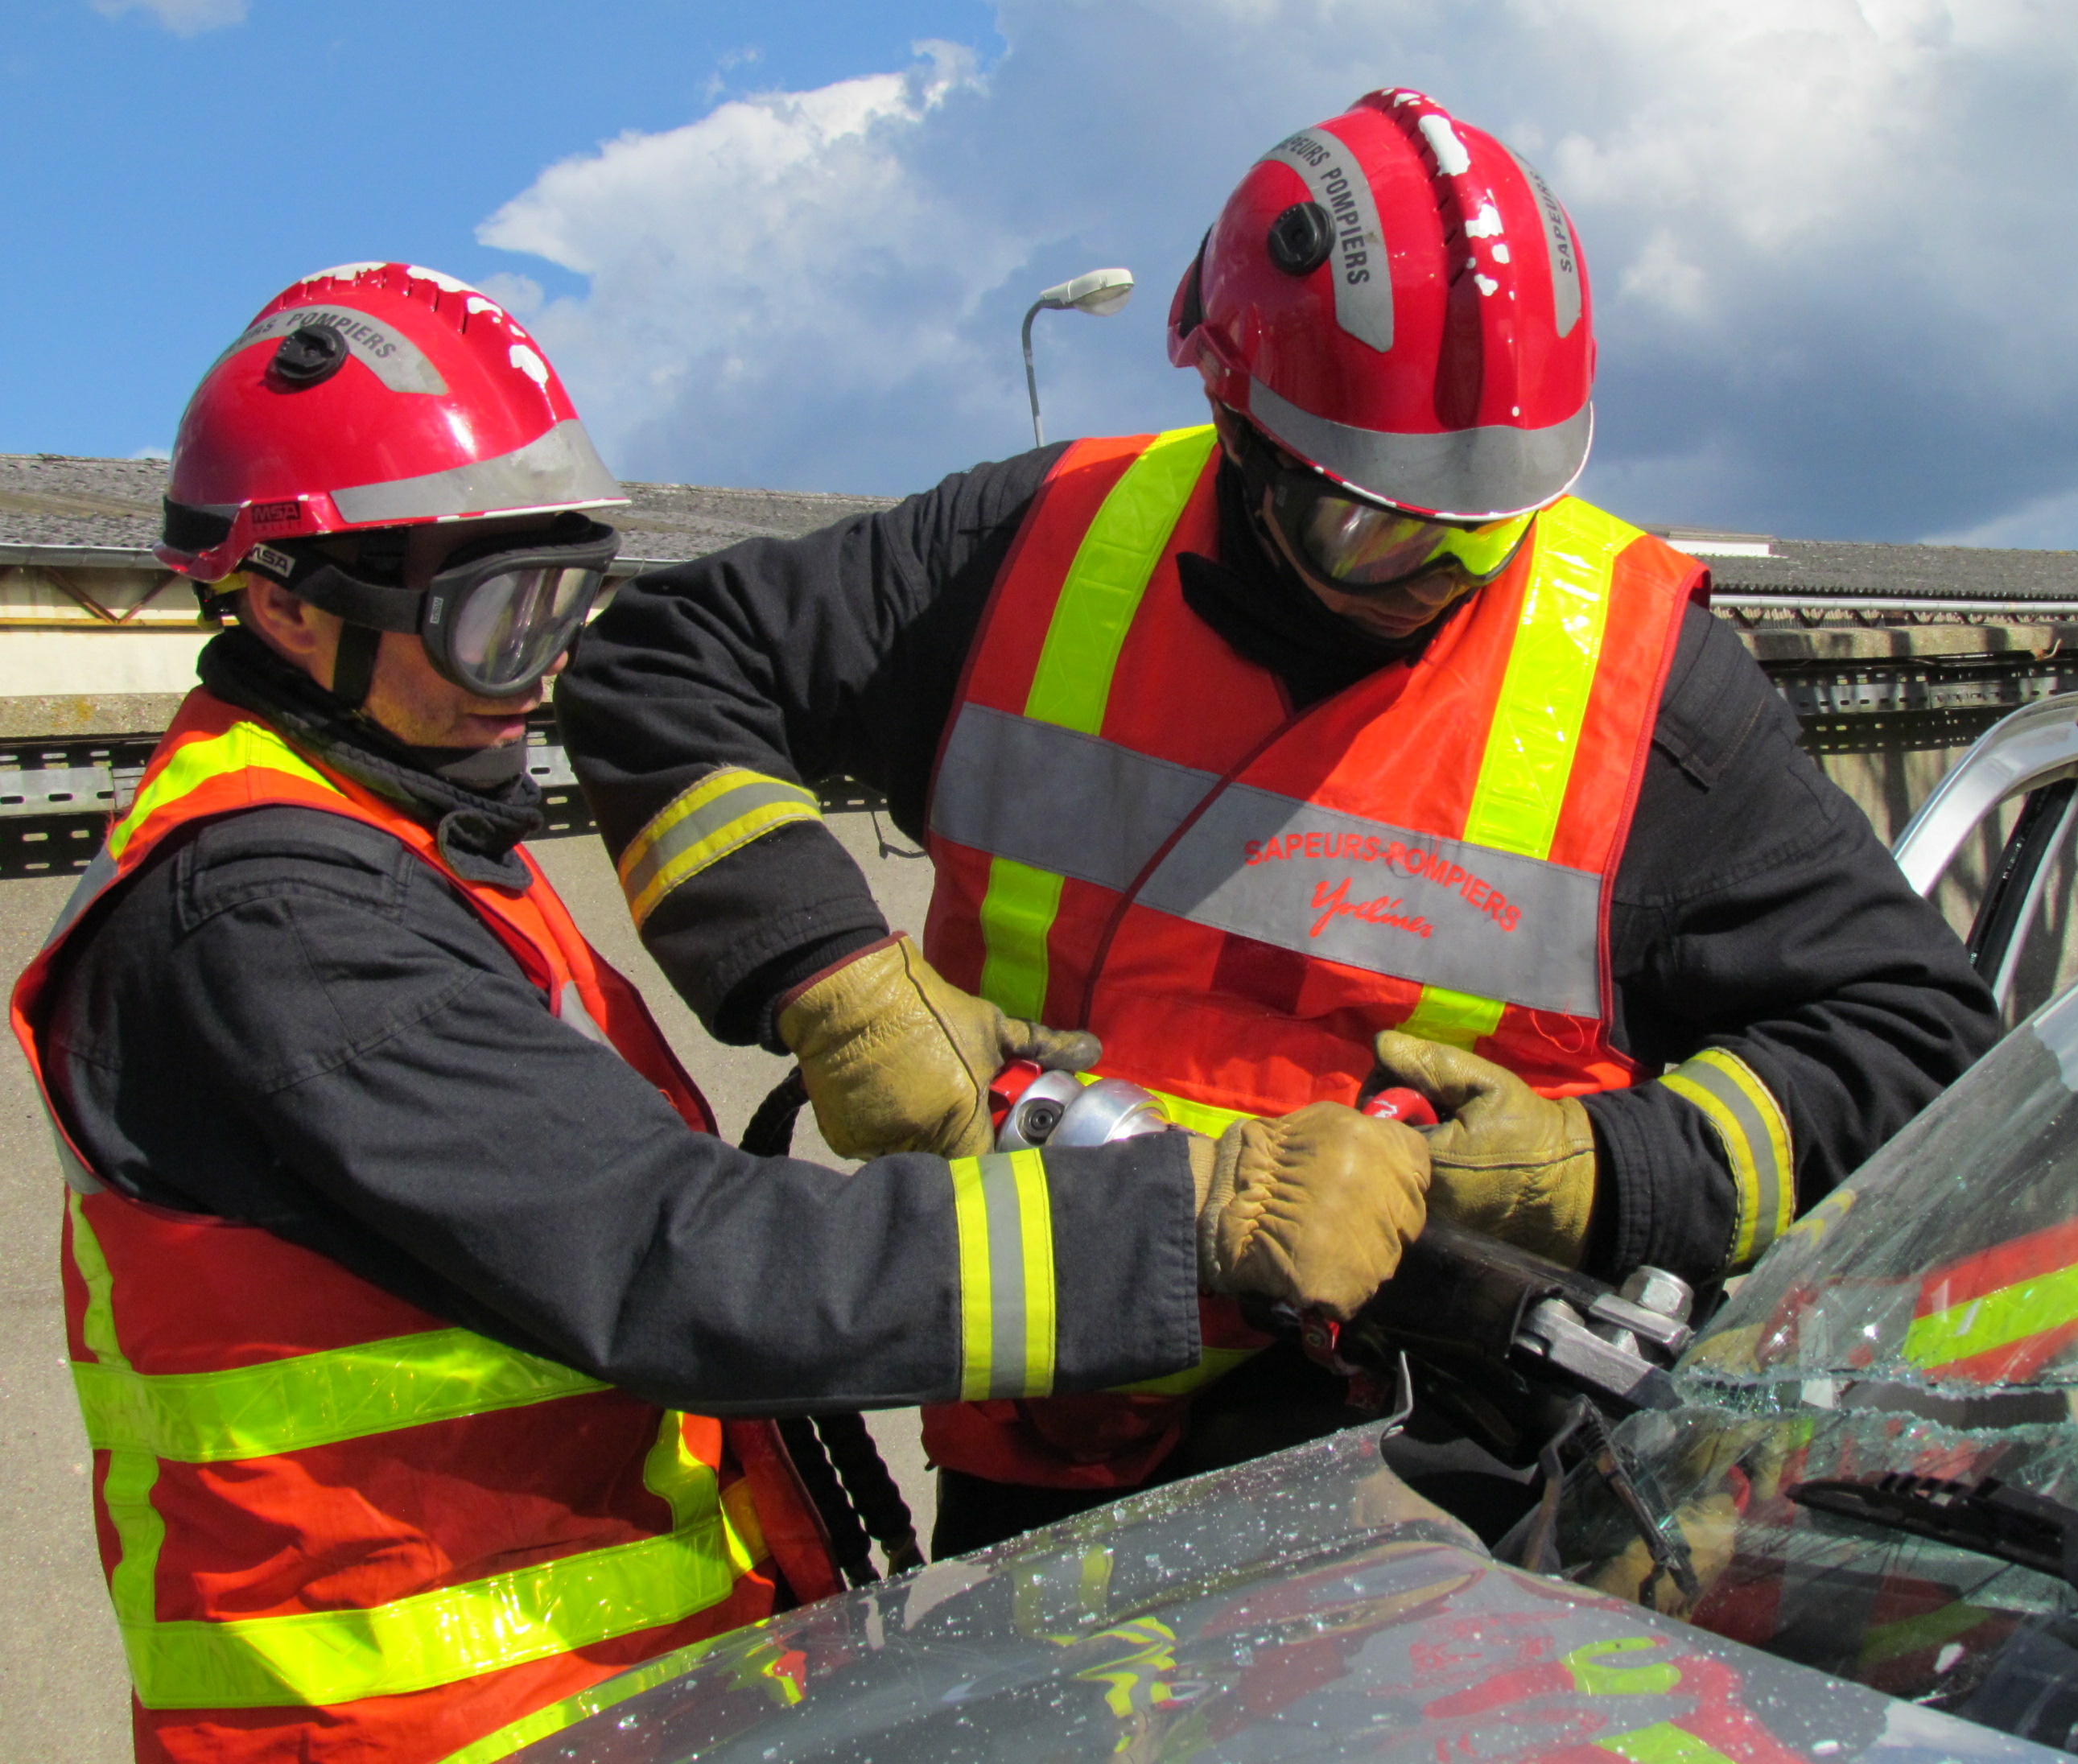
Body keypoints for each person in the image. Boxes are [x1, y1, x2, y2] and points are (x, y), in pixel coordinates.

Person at [10, 262, 1429, 1764]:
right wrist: (1187, 1220)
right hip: (413, 1730)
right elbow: (677, 1262)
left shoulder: (407, 837)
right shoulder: (266, 914)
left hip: (579, 1703)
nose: (546, 663)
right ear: (292, 611)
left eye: (564, 596)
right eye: (497, 620)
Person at [556, 87, 2002, 1558]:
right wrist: (831, 979)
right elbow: (657, 664)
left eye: (1487, 520)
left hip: (1444, 1485)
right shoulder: (1025, 552)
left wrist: (1608, 1174)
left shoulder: (1641, 683)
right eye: (1372, 523)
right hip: (1053, 1434)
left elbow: (1918, 1040)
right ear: (1238, 425)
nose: (1435, 573)